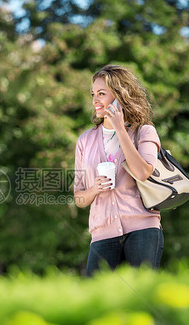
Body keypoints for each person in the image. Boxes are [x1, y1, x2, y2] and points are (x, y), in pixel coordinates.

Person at [73, 65, 164, 277]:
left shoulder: (144, 131)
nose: (95, 100)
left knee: (140, 301)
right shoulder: (85, 141)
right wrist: (94, 189)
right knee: (97, 303)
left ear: (120, 95)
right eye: (93, 94)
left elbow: (143, 172)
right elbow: (79, 199)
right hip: (102, 235)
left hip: (143, 230)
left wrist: (121, 129)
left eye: (102, 94)